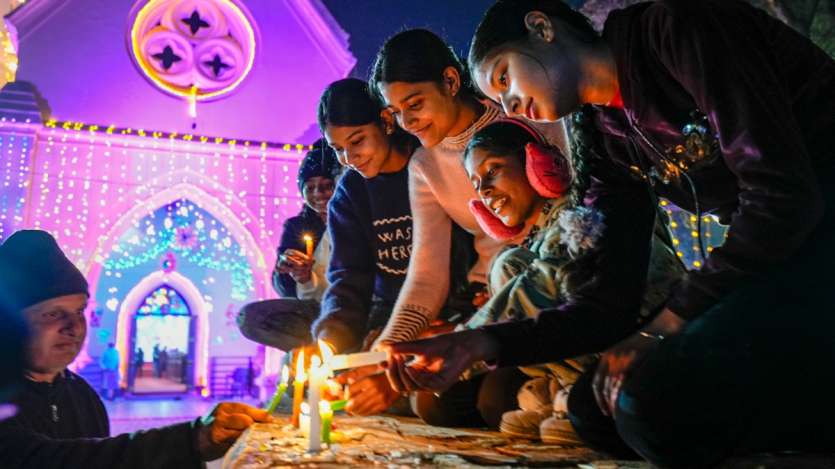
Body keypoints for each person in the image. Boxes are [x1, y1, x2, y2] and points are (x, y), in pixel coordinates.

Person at [387, 1, 835, 466]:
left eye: (504, 78)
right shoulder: (603, 132)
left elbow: (783, 199)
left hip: (815, 233)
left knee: (649, 405)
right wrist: (480, 343)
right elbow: (608, 296)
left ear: (541, 27)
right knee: (592, 408)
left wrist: (663, 327)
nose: (508, 105)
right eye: (498, 99)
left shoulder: (678, 29)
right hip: (780, 255)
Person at [455, 118, 682, 441]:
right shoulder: (529, 243)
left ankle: (576, 395)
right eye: (478, 185)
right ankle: (561, 392)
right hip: (606, 340)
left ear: (537, 163)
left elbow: (545, 283)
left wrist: (463, 343)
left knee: (507, 268)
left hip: (652, 341)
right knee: (506, 265)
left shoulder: (578, 214)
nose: (487, 191)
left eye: (493, 170)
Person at [0, 230, 271, 468]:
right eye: (52, 314)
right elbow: (48, 460)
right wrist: (190, 440)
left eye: (79, 310)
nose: (74, 326)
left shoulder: (81, 396)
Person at [237, 143, 341, 351]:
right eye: (310, 188)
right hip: (311, 306)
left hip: (347, 305)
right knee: (249, 318)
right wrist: (294, 273)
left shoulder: (350, 220)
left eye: (326, 185)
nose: (318, 194)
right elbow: (283, 285)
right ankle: (310, 353)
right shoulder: (297, 226)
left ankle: (321, 351)